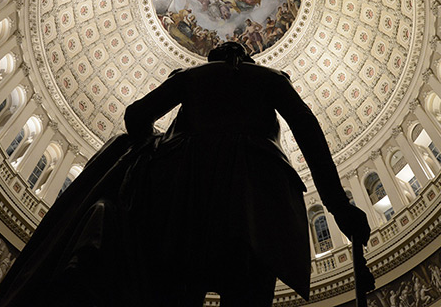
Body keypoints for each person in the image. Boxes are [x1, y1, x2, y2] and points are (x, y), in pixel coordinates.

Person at [123, 41, 372, 306]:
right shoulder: (271, 78)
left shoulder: (189, 77)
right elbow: (309, 133)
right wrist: (339, 206)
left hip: (187, 201)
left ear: (211, 58)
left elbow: (136, 117)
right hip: (257, 202)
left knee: (175, 291)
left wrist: (160, 144)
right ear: (249, 59)